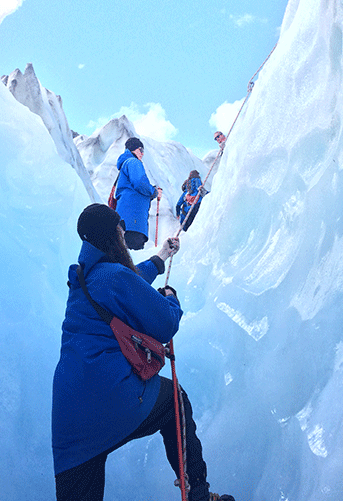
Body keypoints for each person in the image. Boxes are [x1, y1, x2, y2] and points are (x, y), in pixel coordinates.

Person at [52, 203, 235, 501]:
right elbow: (165, 323)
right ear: (115, 234)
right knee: (174, 400)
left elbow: (129, 281)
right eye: (120, 230)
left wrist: (161, 257)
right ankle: (198, 493)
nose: (124, 234)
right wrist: (171, 298)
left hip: (69, 419)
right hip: (111, 398)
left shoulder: (86, 278)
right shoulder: (112, 277)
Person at [114, 136, 162, 249]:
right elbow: (139, 182)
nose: (142, 154)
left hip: (126, 218)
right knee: (133, 251)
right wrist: (153, 191)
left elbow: (133, 188)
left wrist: (152, 192)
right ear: (134, 149)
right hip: (133, 220)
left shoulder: (125, 165)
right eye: (141, 150)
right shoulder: (133, 162)